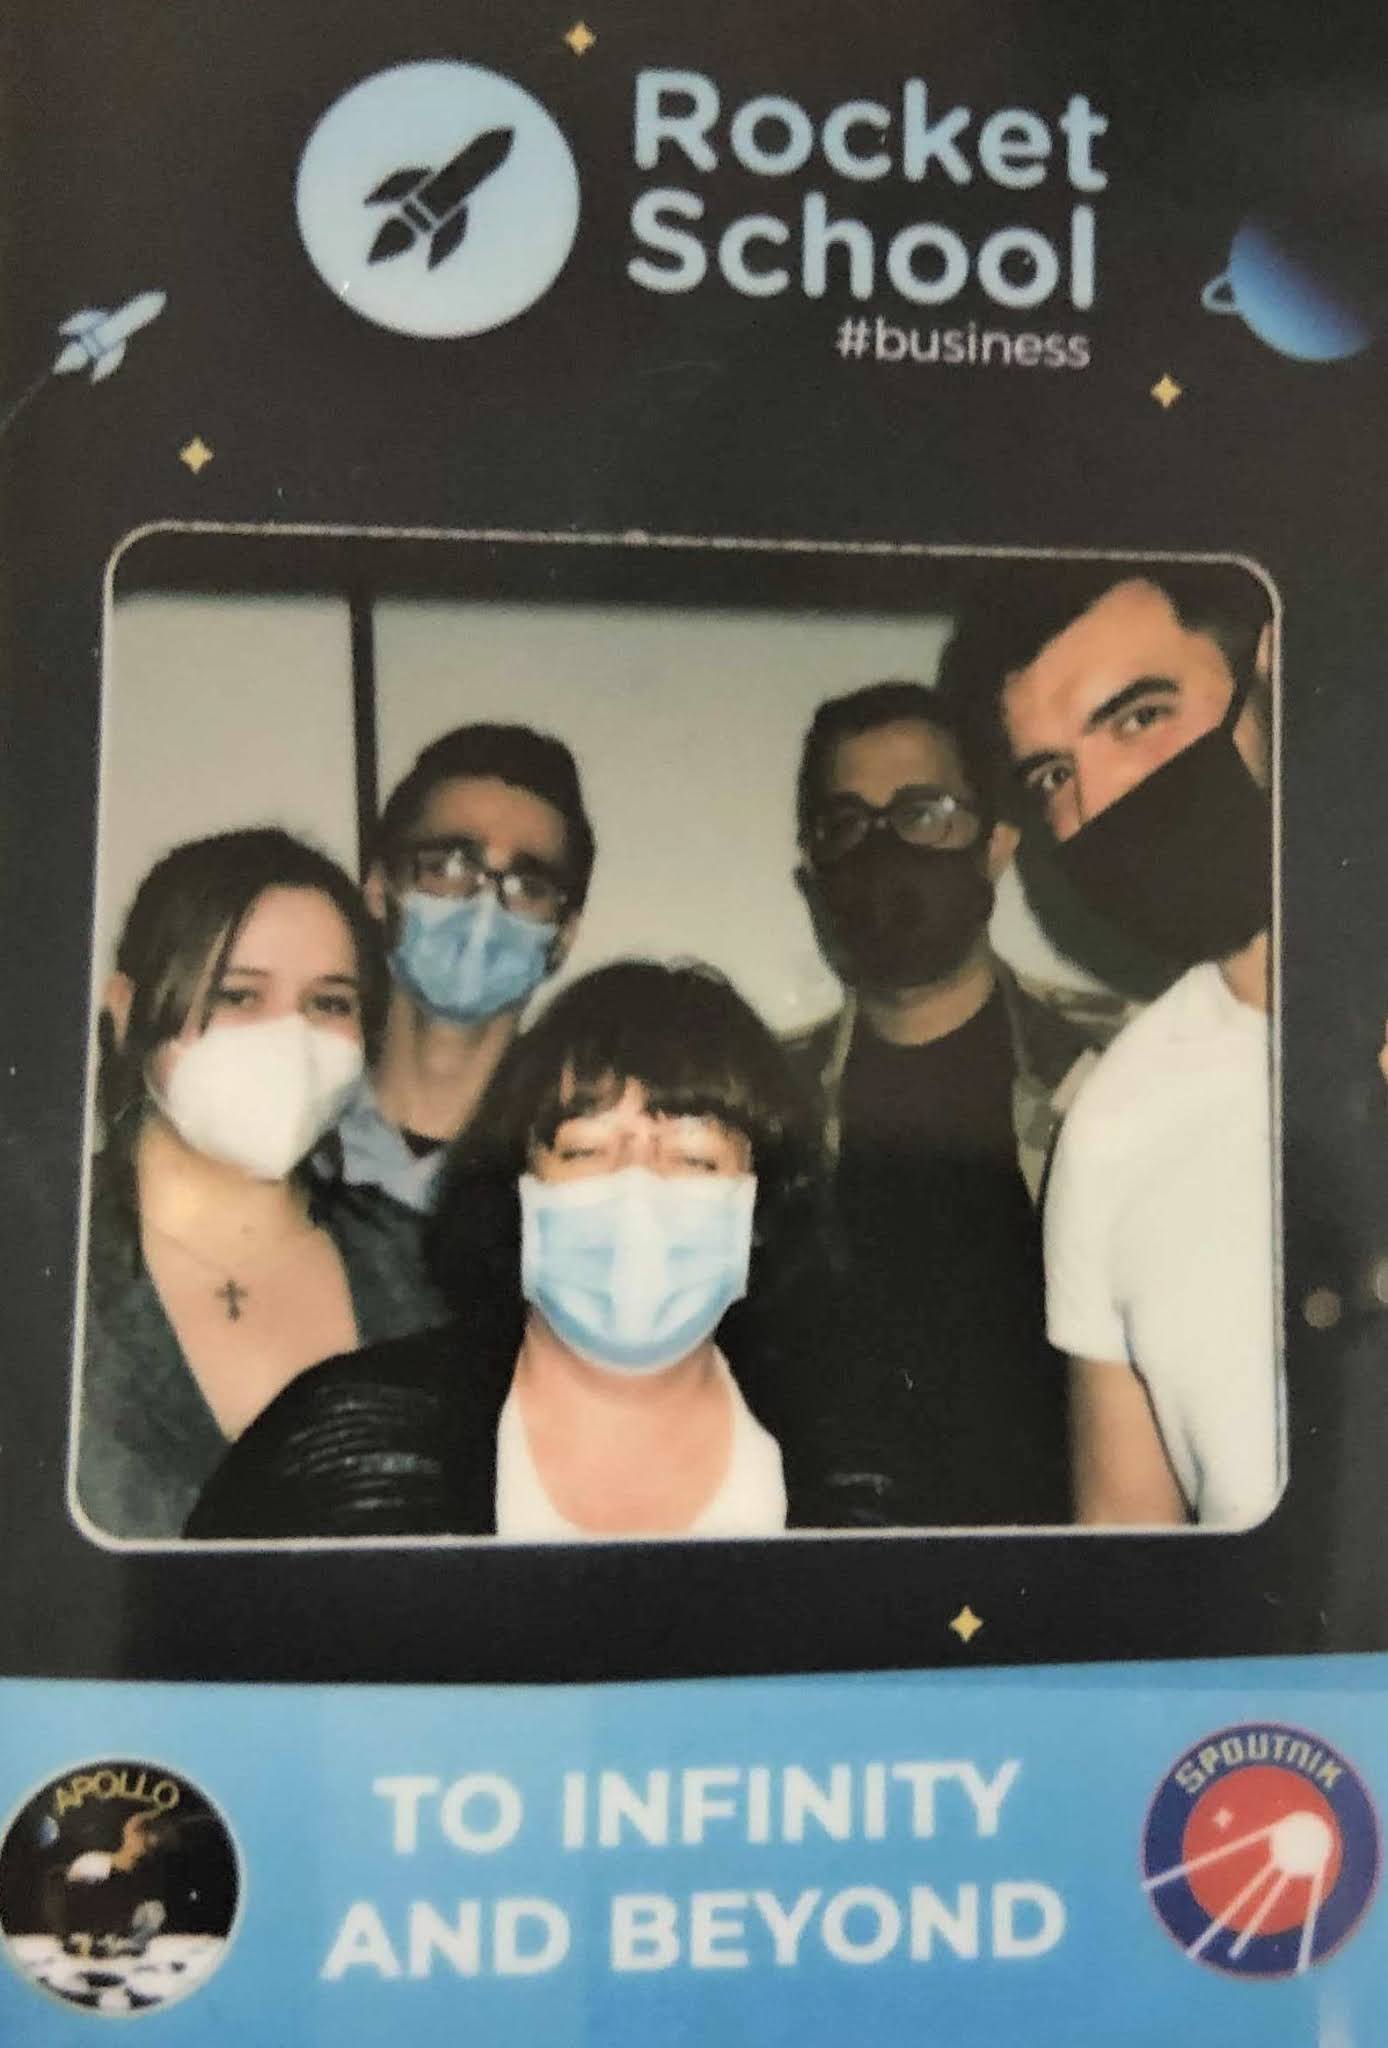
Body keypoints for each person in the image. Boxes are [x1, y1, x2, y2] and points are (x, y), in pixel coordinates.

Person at [188, 961, 900, 1541]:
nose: (636, 1191)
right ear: (517, 1189)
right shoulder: (337, 1443)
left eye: (693, 1159)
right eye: (585, 1150)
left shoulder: (867, 1472)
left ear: (761, 1211)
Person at [947, 558, 1280, 1528]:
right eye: (1053, 775)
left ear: (1273, 678)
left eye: (1138, 717)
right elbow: (1129, 1553)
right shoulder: (1109, 1129)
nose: (1097, 804)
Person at [787, 679, 1117, 1525]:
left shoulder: (1117, 1074)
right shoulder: (759, 1099)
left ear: (997, 845)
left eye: (923, 814)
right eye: (845, 824)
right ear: (812, 868)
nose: (882, 848)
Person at [77, 829, 448, 1541]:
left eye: (330, 1003)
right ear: (126, 1011)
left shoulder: (426, 1270)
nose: (288, 1039)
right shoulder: (42, 1264)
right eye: (239, 995)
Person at [327, 723, 595, 1211]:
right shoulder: (291, 1133)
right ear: (379, 889)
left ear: (563, 936)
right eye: (449, 868)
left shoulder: (586, 1171)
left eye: (527, 887)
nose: (484, 910)